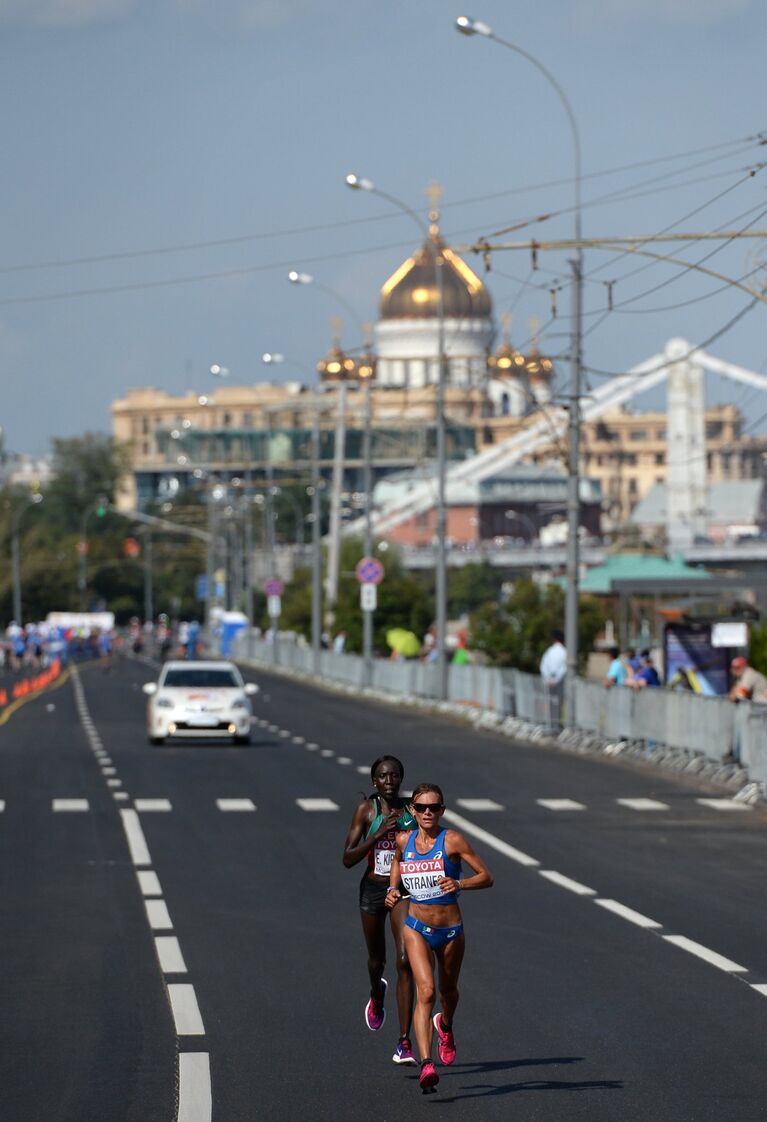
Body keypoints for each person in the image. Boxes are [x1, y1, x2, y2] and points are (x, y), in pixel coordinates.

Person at [386, 784, 494, 1093]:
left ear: (442, 810)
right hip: (416, 926)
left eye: (434, 808)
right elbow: (397, 861)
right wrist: (394, 889)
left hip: (450, 930)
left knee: (448, 991)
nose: (428, 813)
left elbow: (487, 877)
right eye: (421, 808)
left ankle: (445, 1025)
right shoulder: (404, 840)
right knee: (427, 991)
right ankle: (426, 1063)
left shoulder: (453, 841)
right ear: (413, 811)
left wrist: (460, 883)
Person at [342, 756, 417, 1065]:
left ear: (401, 779)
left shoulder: (412, 810)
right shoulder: (366, 810)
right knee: (377, 961)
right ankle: (376, 992)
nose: (389, 781)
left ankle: (404, 1042)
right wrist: (377, 834)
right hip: (372, 889)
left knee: (404, 961)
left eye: (395, 776)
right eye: (383, 776)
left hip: (401, 891)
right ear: (375, 781)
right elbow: (347, 858)